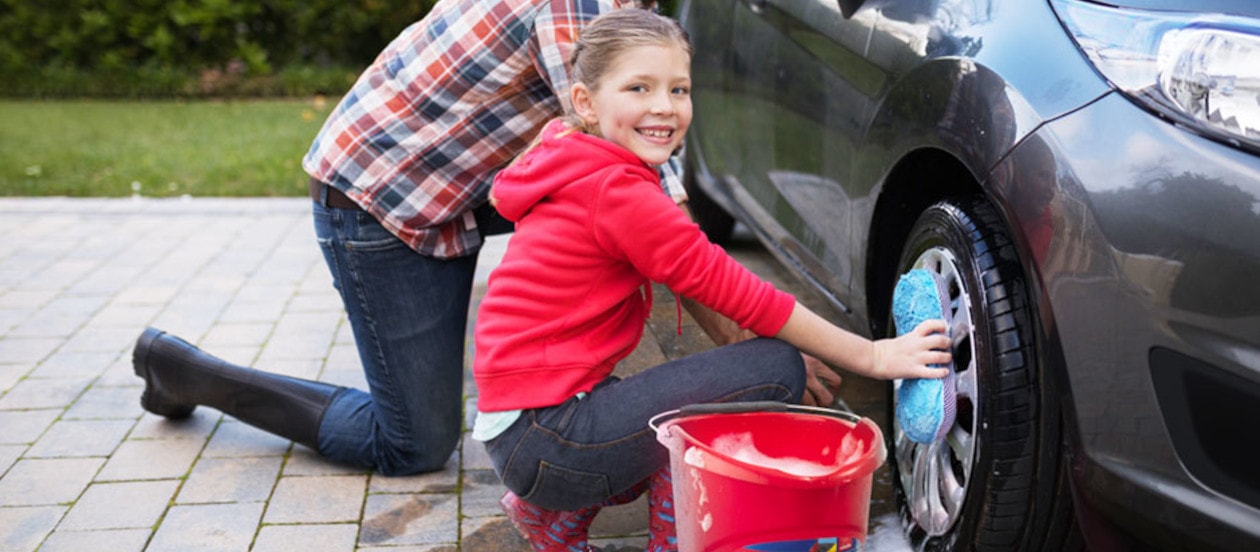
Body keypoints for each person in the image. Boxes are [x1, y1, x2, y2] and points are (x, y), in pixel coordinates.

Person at [130, 0, 839, 478]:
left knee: (613, 219)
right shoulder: (578, 6)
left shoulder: (630, 13)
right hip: (384, 198)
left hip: (461, 186)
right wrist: (754, 355)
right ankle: (186, 372)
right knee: (412, 444)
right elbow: (663, 214)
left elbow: (639, 210)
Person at [471, 9, 951, 551]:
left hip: (526, 425)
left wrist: (740, 363)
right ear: (586, 102)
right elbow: (745, 295)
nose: (664, 106)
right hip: (545, 436)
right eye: (638, 87)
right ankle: (672, 541)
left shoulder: (577, 156)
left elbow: (711, 287)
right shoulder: (616, 192)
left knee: (722, 388)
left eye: (678, 89)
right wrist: (875, 357)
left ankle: (550, 516)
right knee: (775, 367)